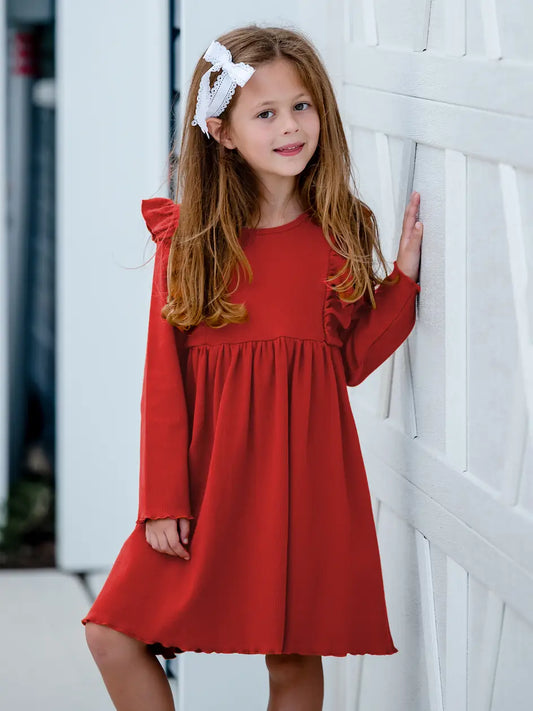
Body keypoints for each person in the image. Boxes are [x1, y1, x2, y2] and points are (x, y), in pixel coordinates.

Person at [82, 24, 423, 711]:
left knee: (292, 657)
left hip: (304, 476)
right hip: (207, 479)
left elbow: (350, 359)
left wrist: (402, 284)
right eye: (264, 113)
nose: (290, 126)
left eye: (301, 105)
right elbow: (162, 379)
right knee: (112, 634)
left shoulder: (338, 232)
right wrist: (162, 500)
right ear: (223, 132)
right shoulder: (191, 240)